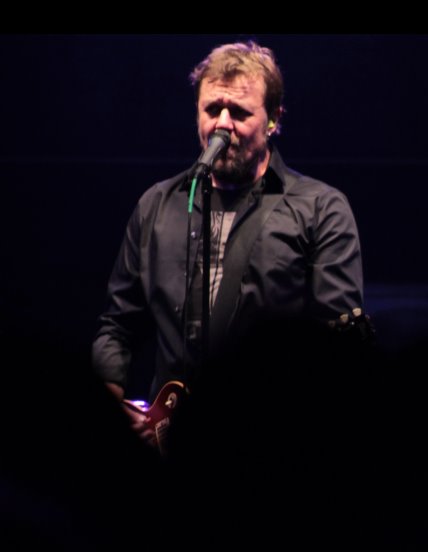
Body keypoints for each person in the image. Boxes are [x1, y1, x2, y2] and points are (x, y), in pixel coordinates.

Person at [91, 40, 366, 427]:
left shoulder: (320, 208)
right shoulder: (156, 206)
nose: (222, 123)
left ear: (273, 120)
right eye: (211, 109)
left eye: (239, 112)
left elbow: (339, 346)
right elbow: (118, 324)